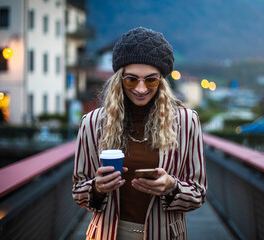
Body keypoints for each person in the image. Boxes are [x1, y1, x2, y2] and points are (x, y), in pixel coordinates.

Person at [72, 27, 206, 240]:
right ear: (119, 80)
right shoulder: (92, 123)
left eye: (150, 80)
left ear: (161, 81)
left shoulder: (186, 122)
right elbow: (79, 191)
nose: (141, 89)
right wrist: (96, 188)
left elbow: (198, 194)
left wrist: (172, 187)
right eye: (132, 79)